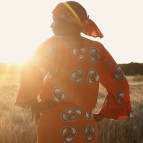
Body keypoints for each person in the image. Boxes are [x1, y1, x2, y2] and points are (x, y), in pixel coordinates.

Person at [15, 1, 132, 143]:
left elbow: (29, 68)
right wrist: (104, 113)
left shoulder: (53, 44)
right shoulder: (98, 49)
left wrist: (32, 102)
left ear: (67, 20)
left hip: (54, 122)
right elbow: (119, 82)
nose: (51, 25)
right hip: (86, 126)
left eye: (54, 20)